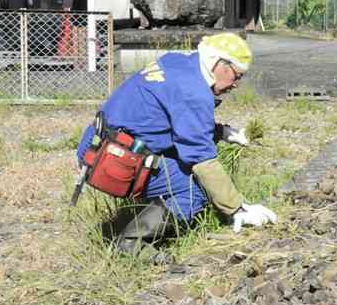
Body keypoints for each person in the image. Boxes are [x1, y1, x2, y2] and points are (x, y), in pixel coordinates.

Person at [75, 33, 277, 264]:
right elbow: (202, 160)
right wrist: (237, 209)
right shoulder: (194, 93)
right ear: (219, 64)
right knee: (195, 190)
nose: (236, 84)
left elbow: (171, 116)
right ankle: (129, 242)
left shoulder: (178, 62)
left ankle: (134, 218)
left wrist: (221, 132)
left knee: (183, 165)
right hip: (112, 161)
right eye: (236, 75)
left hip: (95, 144)